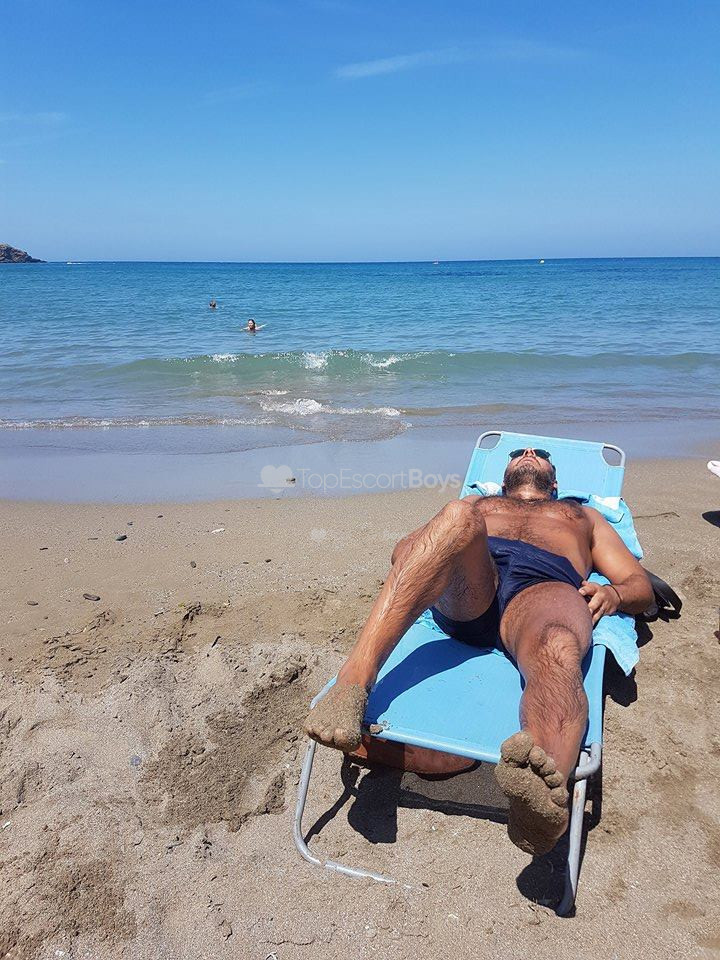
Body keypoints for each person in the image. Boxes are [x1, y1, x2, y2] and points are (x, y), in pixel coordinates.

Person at [304, 448, 653, 855]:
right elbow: (404, 553)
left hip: (543, 590)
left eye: (539, 453)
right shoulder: (479, 503)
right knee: (457, 515)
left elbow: (639, 585)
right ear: (504, 479)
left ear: (555, 482)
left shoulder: (583, 516)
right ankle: (351, 685)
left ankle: (543, 798)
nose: (528, 452)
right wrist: (438, 547)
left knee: (558, 645)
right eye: (519, 452)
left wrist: (615, 594)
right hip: (473, 584)